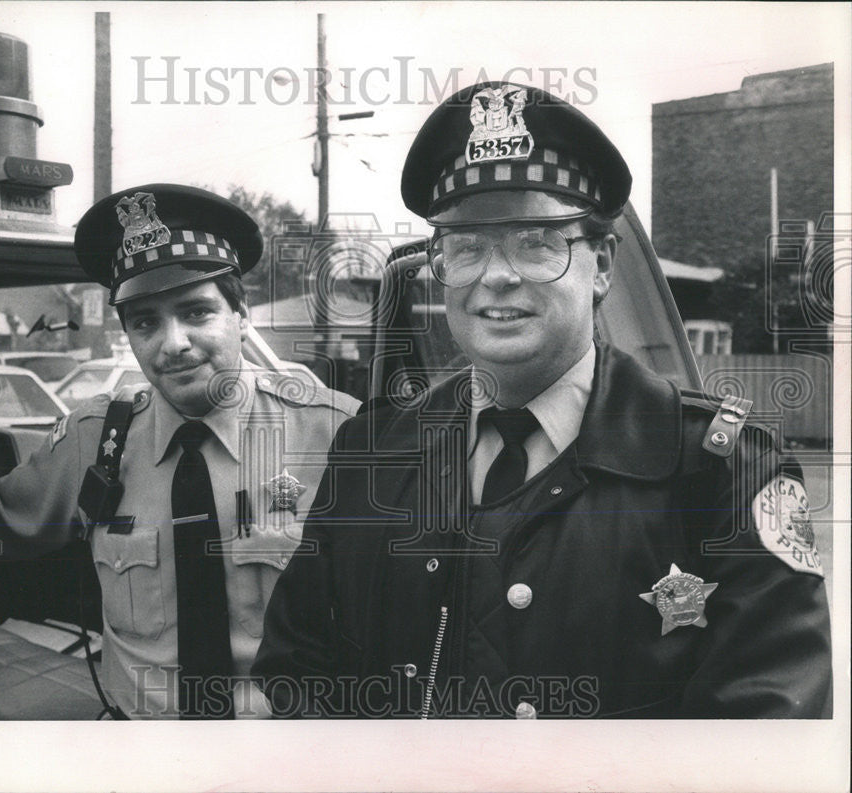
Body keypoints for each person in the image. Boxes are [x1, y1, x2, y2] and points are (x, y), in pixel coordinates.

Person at [252, 84, 832, 718]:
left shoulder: (721, 471)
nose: (496, 275)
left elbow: (768, 728)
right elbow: (298, 678)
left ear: (603, 264)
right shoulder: (371, 452)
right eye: (466, 245)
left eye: (535, 241)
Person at [0, 184, 359, 719]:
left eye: (197, 312)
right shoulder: (96, 438)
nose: (171, 342)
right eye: (146, 321)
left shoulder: (337, 432)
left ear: (241, 315)